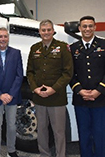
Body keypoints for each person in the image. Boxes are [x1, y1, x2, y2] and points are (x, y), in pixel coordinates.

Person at [69, 16, 105, 157]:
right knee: (84, 135)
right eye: (84, 26)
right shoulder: (73, 48)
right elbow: (70, 73)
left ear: (95, 27)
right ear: (79, 29)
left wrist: (98, 91)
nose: (87, 29)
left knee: (100, 135)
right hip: (81, 100)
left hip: (101, 99)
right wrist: (79, 90)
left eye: (90, 26)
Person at [26, 19, 73, 157]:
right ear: (39, 32)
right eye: (43, 30)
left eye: (48, 30)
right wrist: (35, 89)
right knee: (41, 129)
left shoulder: (63, 47)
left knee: (58, 131)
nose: (46, 33)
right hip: (39, 97)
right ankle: (44, 154)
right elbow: (30, 72)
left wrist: (54, 89)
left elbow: (67, 73)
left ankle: (60, 155)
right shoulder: (34, 48)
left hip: (57, 98)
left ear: (53, 31)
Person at [0, 27, 23, 157]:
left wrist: (10, 94)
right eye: (0, 36)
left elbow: (19, 75)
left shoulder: (16, 53)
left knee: (12, 125)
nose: (3, 39)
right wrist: (0, 94)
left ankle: (11, 150)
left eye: (5, 36)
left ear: (8, 38)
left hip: (12, 96)